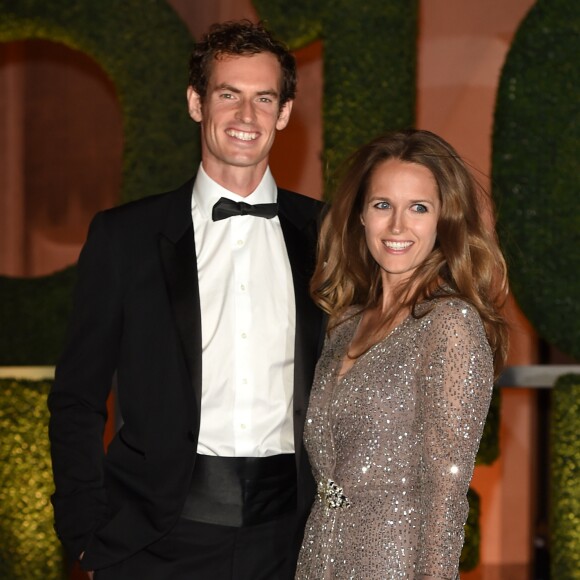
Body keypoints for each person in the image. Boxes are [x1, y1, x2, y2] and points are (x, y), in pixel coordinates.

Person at [48, 20, 324, 580]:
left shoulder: (328, 235)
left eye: (263, 98)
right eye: (229, 95)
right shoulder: (124, 237)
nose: (247, 117)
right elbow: (76, 398)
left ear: (285, 112)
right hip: (153, 543)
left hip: (290, 544)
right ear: (197, 103)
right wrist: (85, 532)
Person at [294, 129, 509, 579]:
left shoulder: (450, 325)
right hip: (319, 558)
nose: (397, 226)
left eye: (418, 208)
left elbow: (446, 492)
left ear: (443, 220)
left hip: (394, 565)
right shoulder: (344, 322)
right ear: (360, 217)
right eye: (382, 205)